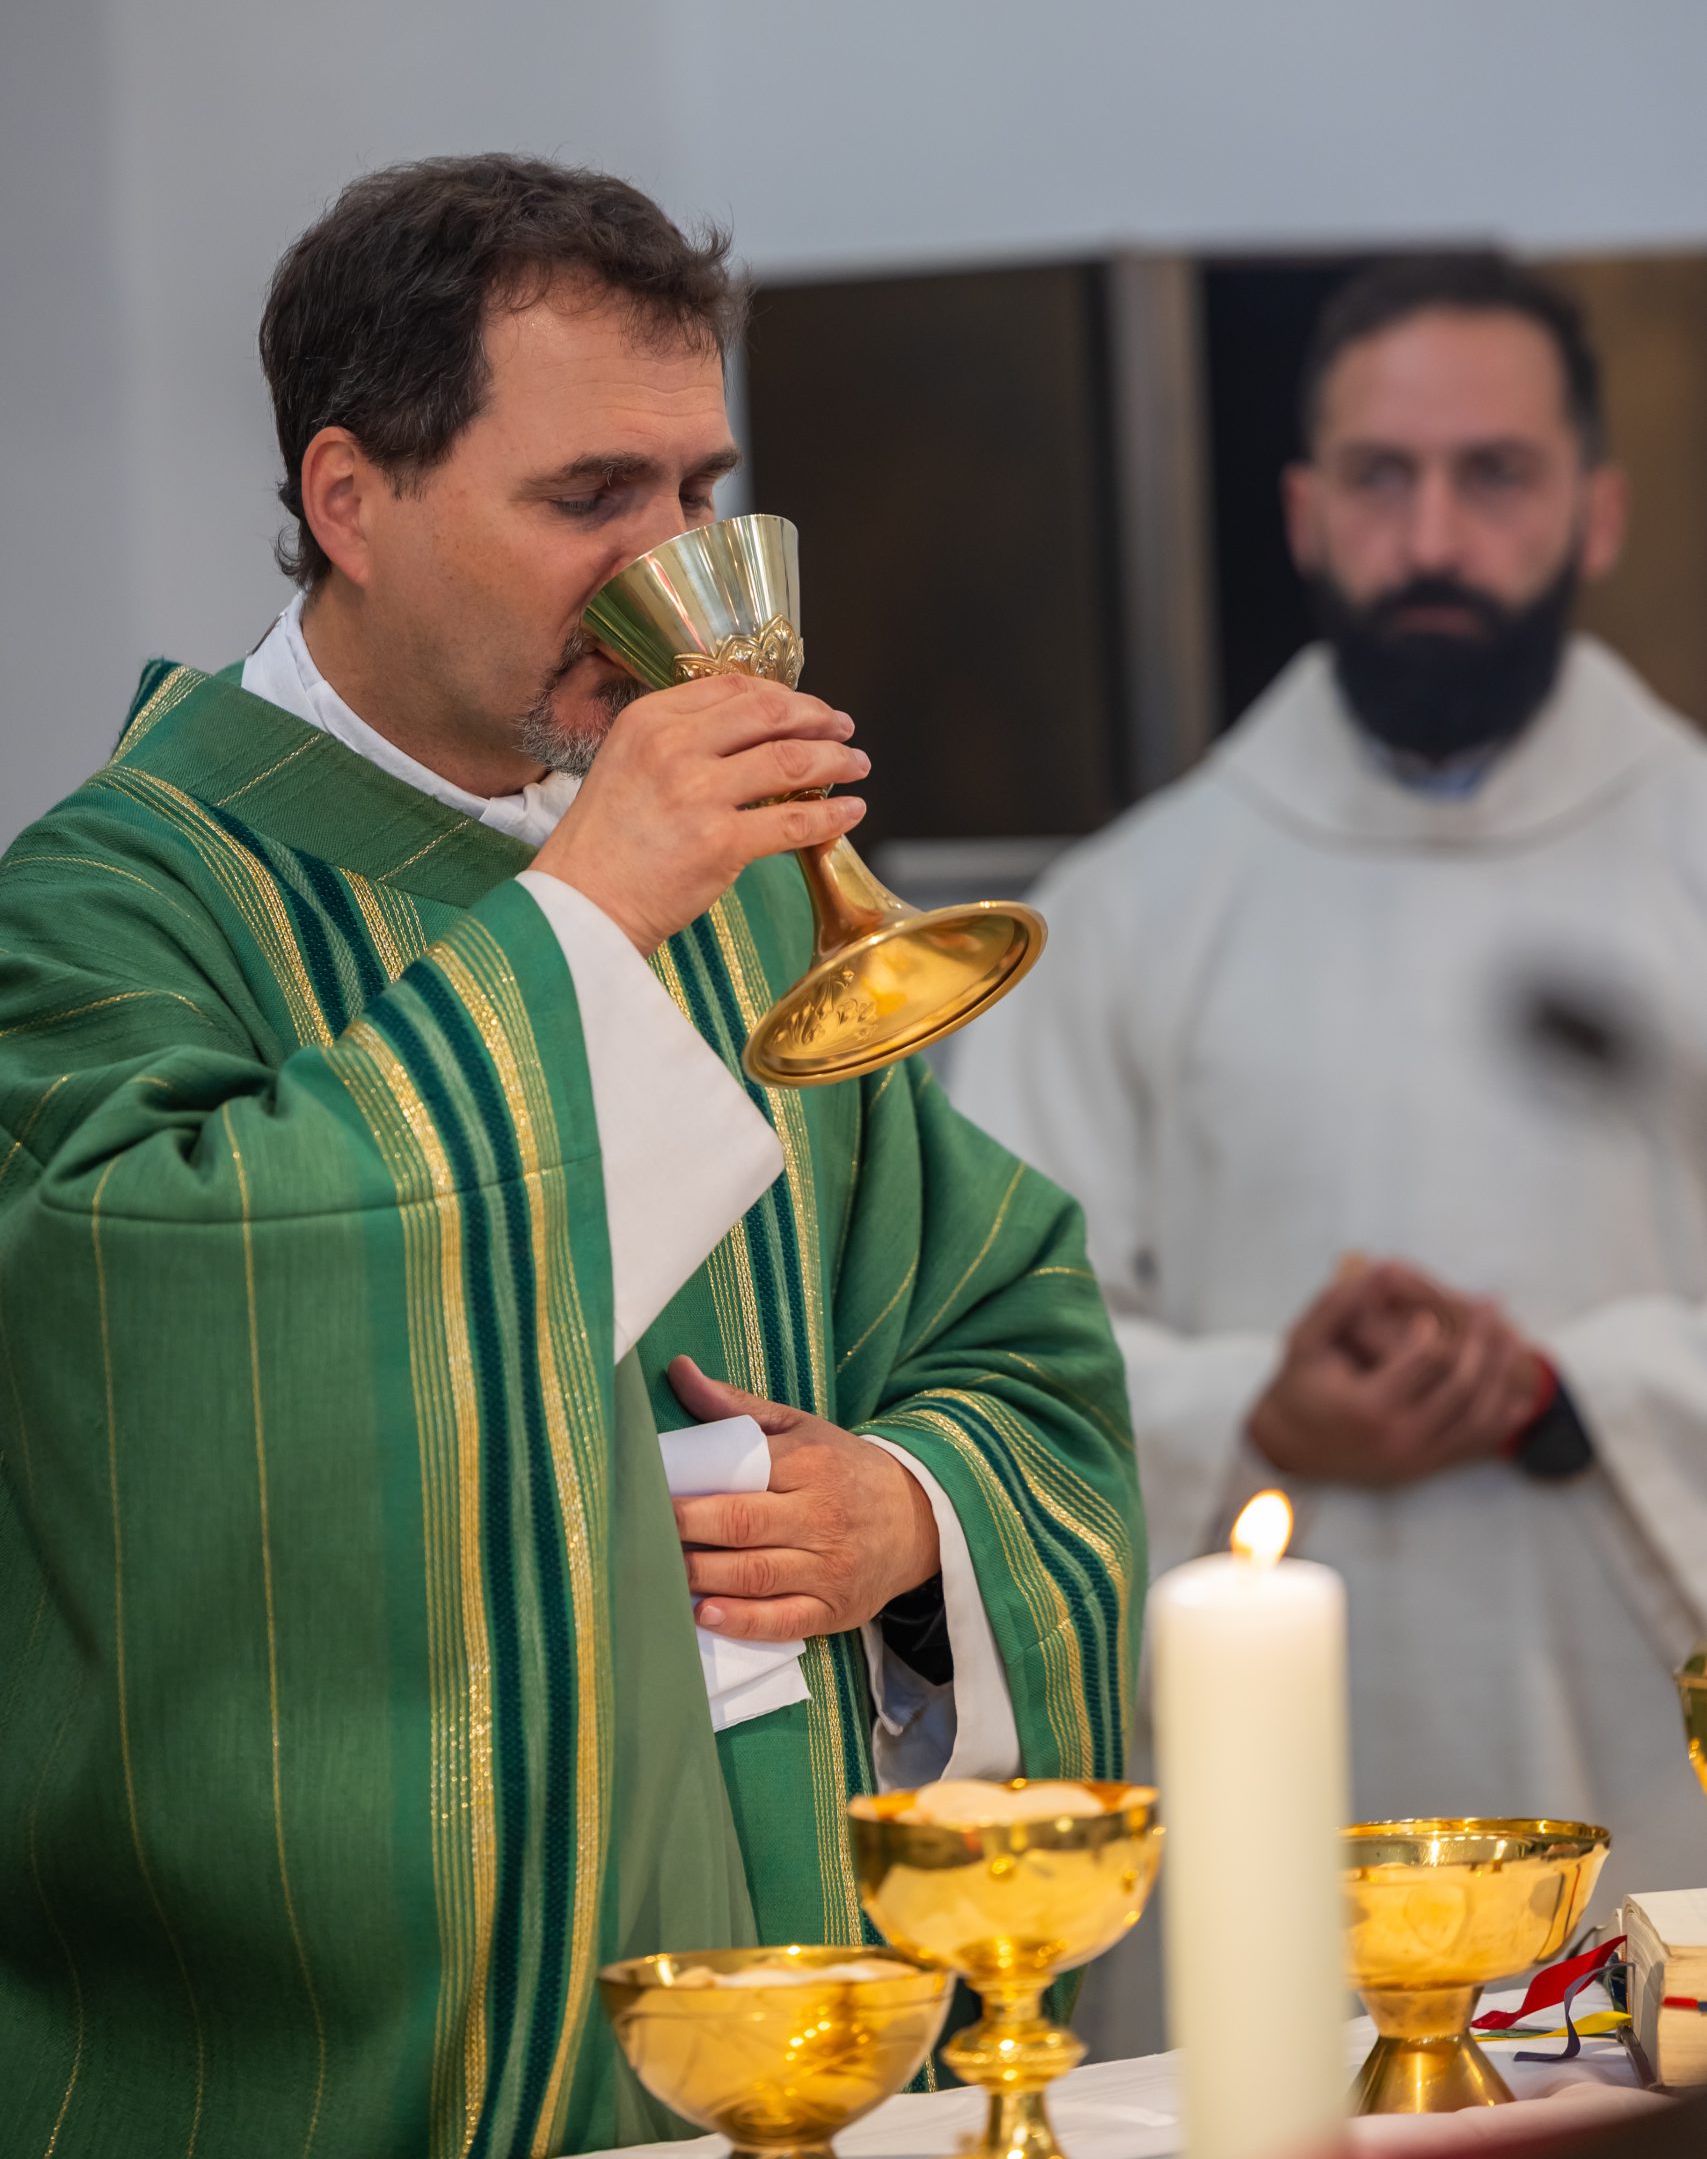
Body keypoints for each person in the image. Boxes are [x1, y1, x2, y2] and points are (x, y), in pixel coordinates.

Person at [0, 155, 1141, 2159]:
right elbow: (163, 1356)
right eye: (588, 496)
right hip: (377, 2062)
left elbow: (995, 1321)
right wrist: (586, 916)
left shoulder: (753, 894)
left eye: (697, 491)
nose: (663, 564)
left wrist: (902, 1516)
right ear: (348, 498)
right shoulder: (113, 904)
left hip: (798, 1983)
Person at [957, 251, 1707, 2035]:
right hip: (1272, 1803)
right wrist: (1256, 1412)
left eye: (1494, 473)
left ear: (1597, 510)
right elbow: (996, 1359)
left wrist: (1579, 1396)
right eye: (1382, 476)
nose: (1433, 534)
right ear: (1304, 512)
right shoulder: (1129, 912)